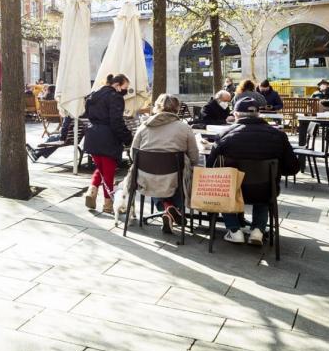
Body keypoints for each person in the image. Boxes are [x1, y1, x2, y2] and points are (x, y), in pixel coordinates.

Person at [207, 97, 299, 245]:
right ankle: (258, 230)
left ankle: (234, 230)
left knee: (223, 187)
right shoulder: (278, 135)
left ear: (236, 114)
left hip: (233, 190)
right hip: (266, 190)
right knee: (264, 188)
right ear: (258, 114)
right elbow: (293, 167)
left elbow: (210, 168)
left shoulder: (224, 135)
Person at [122, 94, 200, 234]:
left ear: (157, 107)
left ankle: (167, 208)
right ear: (176, 108)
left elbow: (134, 154)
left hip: (146, 178)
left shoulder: (144, 126)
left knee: (156, 177)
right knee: (183, 174)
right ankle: (173, 209)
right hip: (175, 178)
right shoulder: (184, 128)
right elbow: (194, 156)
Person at [82, 74, 133, 214]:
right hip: (108, 138)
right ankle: (108, 204)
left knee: (101, 168)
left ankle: (91, 192)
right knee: (108, 172)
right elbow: (116, 122)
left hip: (92, 136)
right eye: (125, 88)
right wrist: (128, 138)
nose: (125, 91)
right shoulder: (115, 97)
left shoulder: (92, 95)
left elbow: (87, 114)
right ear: (117, 85)